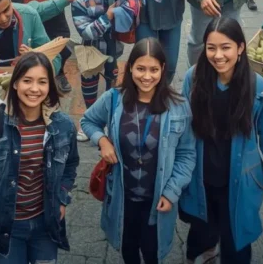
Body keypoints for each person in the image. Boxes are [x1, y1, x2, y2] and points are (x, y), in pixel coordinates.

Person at [80, 39, 196, 264]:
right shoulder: (113, 99)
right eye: (141, 68)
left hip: (158, 198)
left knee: (152, 250)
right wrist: (102, 140)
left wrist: (172, 191)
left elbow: (187, 153)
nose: (147, 76)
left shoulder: (179, 106)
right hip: (123, 197)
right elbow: (88, 121)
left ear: (163, 69)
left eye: (154, 69)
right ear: (130, 66)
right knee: (128, 248)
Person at [0, 52, 79, 262]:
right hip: (5, 227)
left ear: (50, 85)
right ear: (14, 84)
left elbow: (71, 164)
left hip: (46, 226)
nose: (34, 89)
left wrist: (61, 197)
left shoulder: (64, 126)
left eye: (42, 82)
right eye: (27, 81)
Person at [180, 18, 263, 264]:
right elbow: (181, 128)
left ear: (240, 48)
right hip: (200, 177)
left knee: (236, 241)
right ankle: (207, 251)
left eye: (225, 47)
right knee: (201, 232)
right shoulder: (193, 79)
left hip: (240, 181)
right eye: (211, 47)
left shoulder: (256, 87)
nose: (218, 56)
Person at [70, 0, 136, 139]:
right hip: (91, 51)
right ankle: (88, 122)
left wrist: (126, 11)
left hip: (112, 49)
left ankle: (108, 122)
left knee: (111, 86)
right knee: (88, 88)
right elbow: (86, 33)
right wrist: (107, 17)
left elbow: (124, 12)